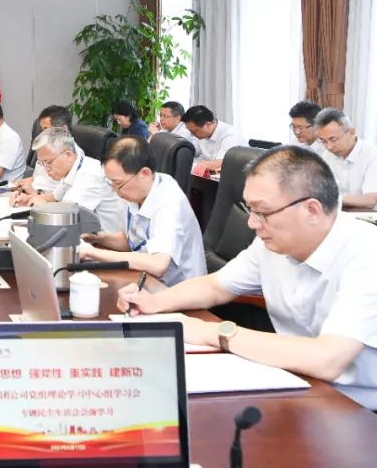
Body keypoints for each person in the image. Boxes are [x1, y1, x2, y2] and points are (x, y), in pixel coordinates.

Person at [117, 146, 377, 410]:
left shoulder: (367, 254)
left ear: (311, 210)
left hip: (358, 408)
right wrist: (154, 302)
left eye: (262, 212)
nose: (252, 223)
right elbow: (216, 286)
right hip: (298, 384)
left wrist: (212, 333)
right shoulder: (270, 244)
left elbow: (328, 359)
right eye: (249, 209)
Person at [81, 136, 206, 286]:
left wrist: (91, 252)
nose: (114, 190)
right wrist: (99, 238)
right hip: (146, 279)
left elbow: (158, 264)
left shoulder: (170, 203)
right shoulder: (138, 191)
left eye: (118, 183)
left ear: (144, 174)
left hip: (177, 289)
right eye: (111, 182)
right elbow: (134, 242)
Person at [11, 128, 125, 232]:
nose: (46, 169)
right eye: (42, 163)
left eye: (48, 162)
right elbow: (54, 197)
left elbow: (66, 216)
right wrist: (28, 199)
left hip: (102, 242)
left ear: (68, 155)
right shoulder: (72, 169)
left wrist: (40, 205)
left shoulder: (91, 175)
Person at [314, 108, 377, 210]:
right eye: (323, 141)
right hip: (339, 213)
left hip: (368, 215)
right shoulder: (327, 155)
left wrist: (334, 199)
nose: (329, 147)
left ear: (351, 132)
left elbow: (370, 200)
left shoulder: (372, 155)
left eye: (333, 139)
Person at [14, 105, 76, 196]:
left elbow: (63, 195)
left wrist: (36, 193)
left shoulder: (71, 155)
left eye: (46, 129)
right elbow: (40, 177)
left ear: (63, 129)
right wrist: (24, 182)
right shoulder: (48, 148)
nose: (42, 134)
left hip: (44, 199)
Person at [182, 104, 242, 173]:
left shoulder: (230, 135)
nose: (192, 135)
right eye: (190, 131)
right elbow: (197, 154)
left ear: (208, 124)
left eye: (194, 132)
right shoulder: (202, 134)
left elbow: (221, 164)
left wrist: (196, 166)